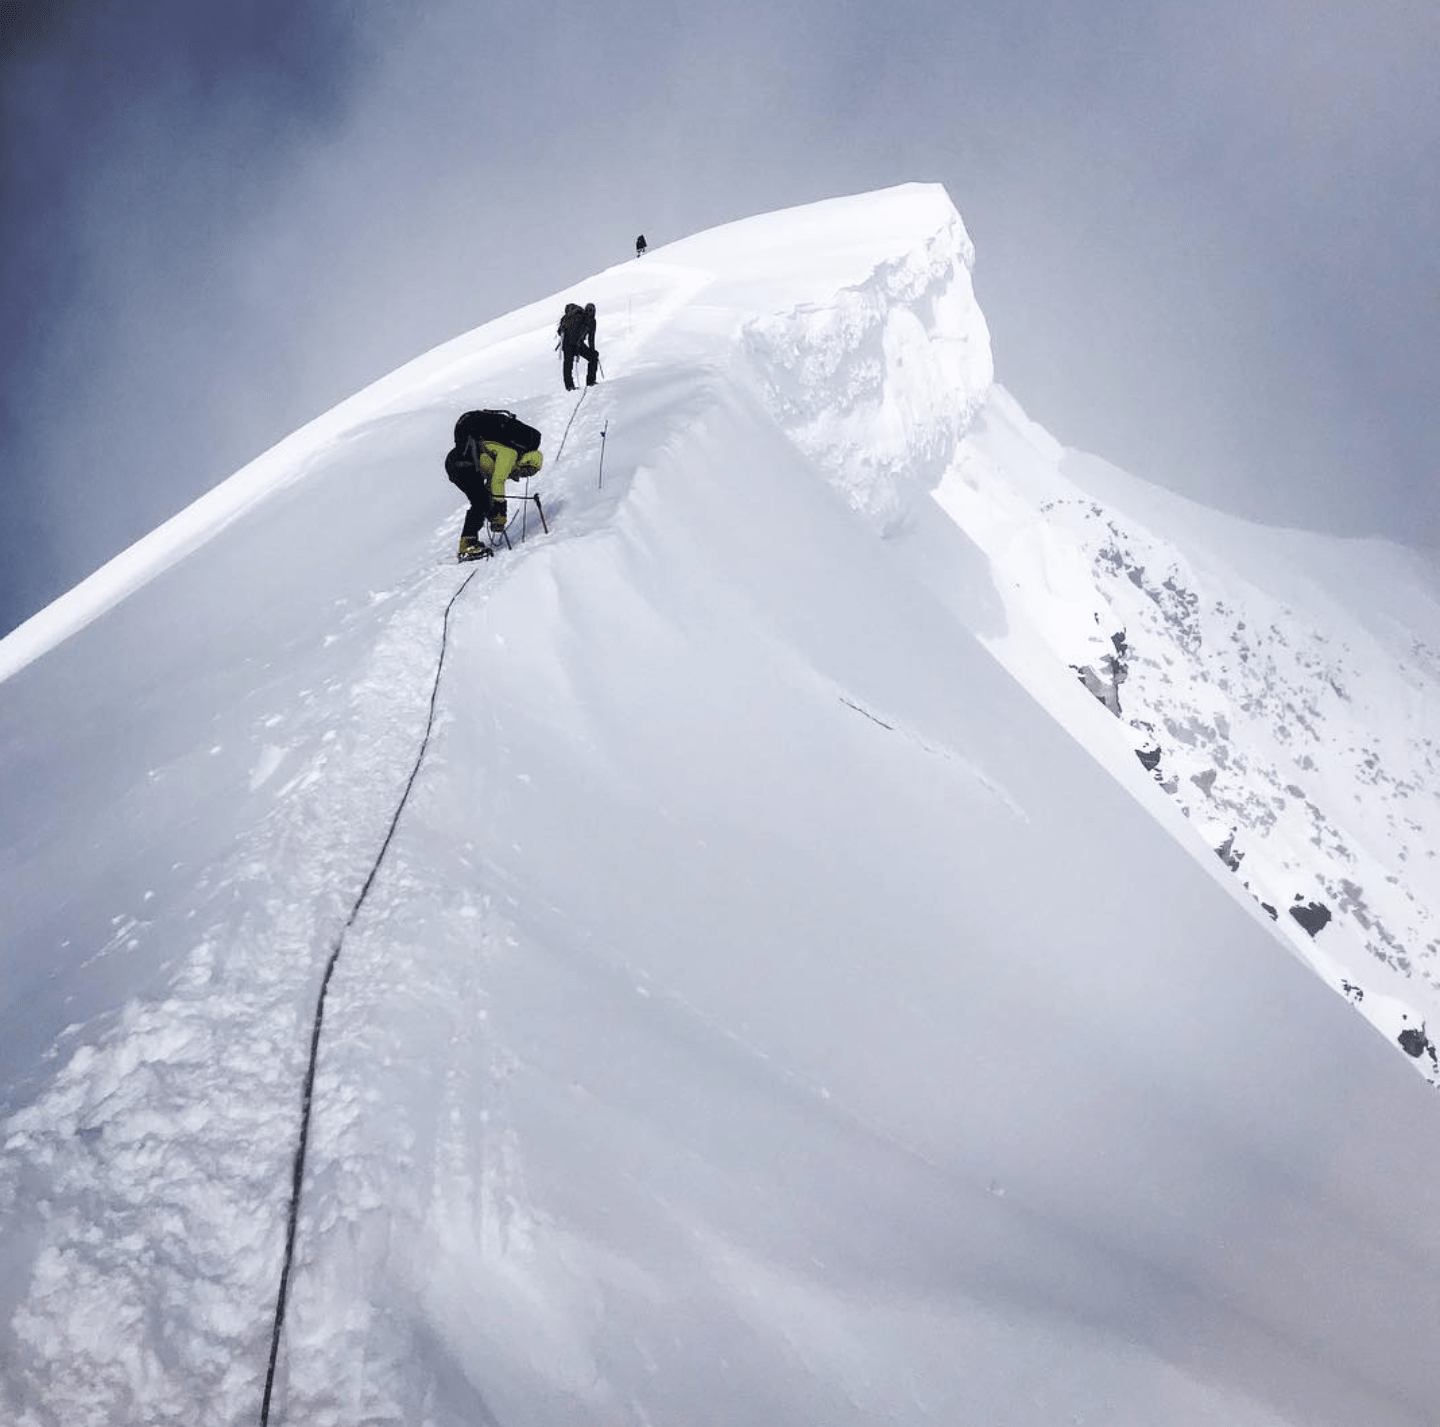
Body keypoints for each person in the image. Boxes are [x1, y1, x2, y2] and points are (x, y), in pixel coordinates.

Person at [445, 409, 544, 560]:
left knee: (482, 500)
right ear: (526, 462)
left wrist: (495, 511)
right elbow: (498, 481)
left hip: (461, 463)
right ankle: (467, 546)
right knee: (480, 501)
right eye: (527, 472)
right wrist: (500, 512)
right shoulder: (510, 455)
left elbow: (492, 484)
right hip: (461, 465)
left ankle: (469, 541)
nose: (523, 476)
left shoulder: (507, 455)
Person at [556, 301, 600, 391]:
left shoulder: (592, 322)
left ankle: (590, 382)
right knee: (568, 363)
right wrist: (576, 348)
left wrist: (593, 351)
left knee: (592, 358)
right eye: (589, 310)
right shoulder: (579, 317)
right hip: (568, 342)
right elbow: (573, 334)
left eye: (591, 311)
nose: (590, 312)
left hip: (578, 343)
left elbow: (591, 338)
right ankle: (570, 386)